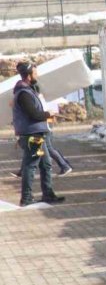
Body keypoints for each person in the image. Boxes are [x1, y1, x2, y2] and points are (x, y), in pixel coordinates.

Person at [12, 61, 64, 206]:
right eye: (35, 73)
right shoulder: (23, 93)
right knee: (31, 165)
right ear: (28, 76)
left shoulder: (29, 90)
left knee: (46, 164)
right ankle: (26, 197)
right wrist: (48, 114)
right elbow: (33, 114)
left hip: (38, 133)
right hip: (31, 135)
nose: (37, 76)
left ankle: (48, 194)